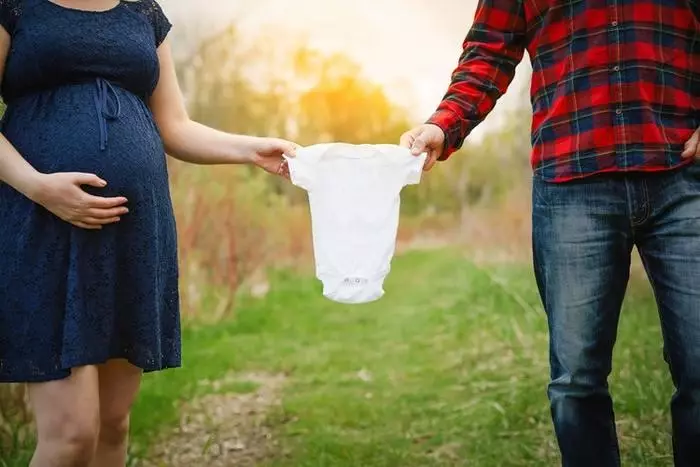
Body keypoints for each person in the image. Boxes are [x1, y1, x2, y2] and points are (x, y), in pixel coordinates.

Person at [400, 1, 700, 466]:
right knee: (576, 382)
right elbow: (489, 51)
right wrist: (444, 123)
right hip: (571, 182)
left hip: (683, 173)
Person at [0, 1, 296, 466]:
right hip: (44, 224)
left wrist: (251, 150)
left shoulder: (142, 12)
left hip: (133, 232)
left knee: (114, 425)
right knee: (71, 433)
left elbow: (174, 126)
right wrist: (39, 187)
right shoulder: (15, 6)